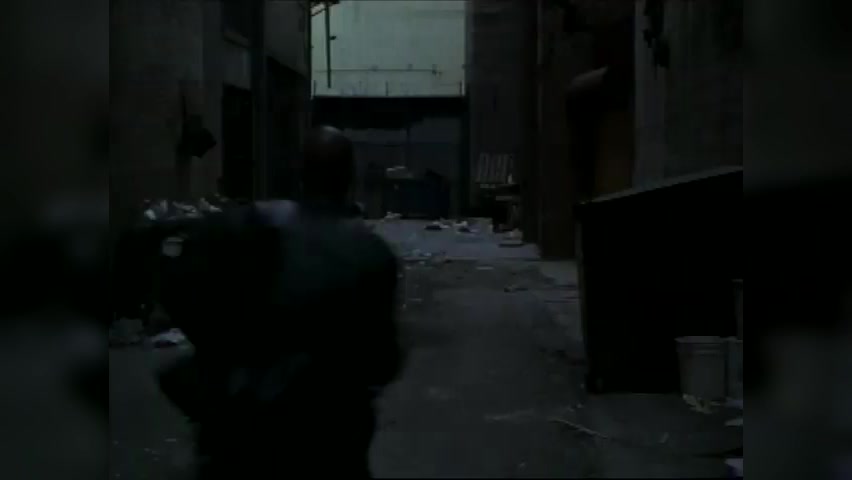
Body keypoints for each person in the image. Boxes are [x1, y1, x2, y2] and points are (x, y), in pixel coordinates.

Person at [135, 125, 402, 478]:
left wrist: (219, 350)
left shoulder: (247, 225)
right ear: (349, 179)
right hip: (329, 440)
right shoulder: (371, 254)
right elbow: (383, 360)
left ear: (301, 175)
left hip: (244, 433)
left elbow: (177, 290)